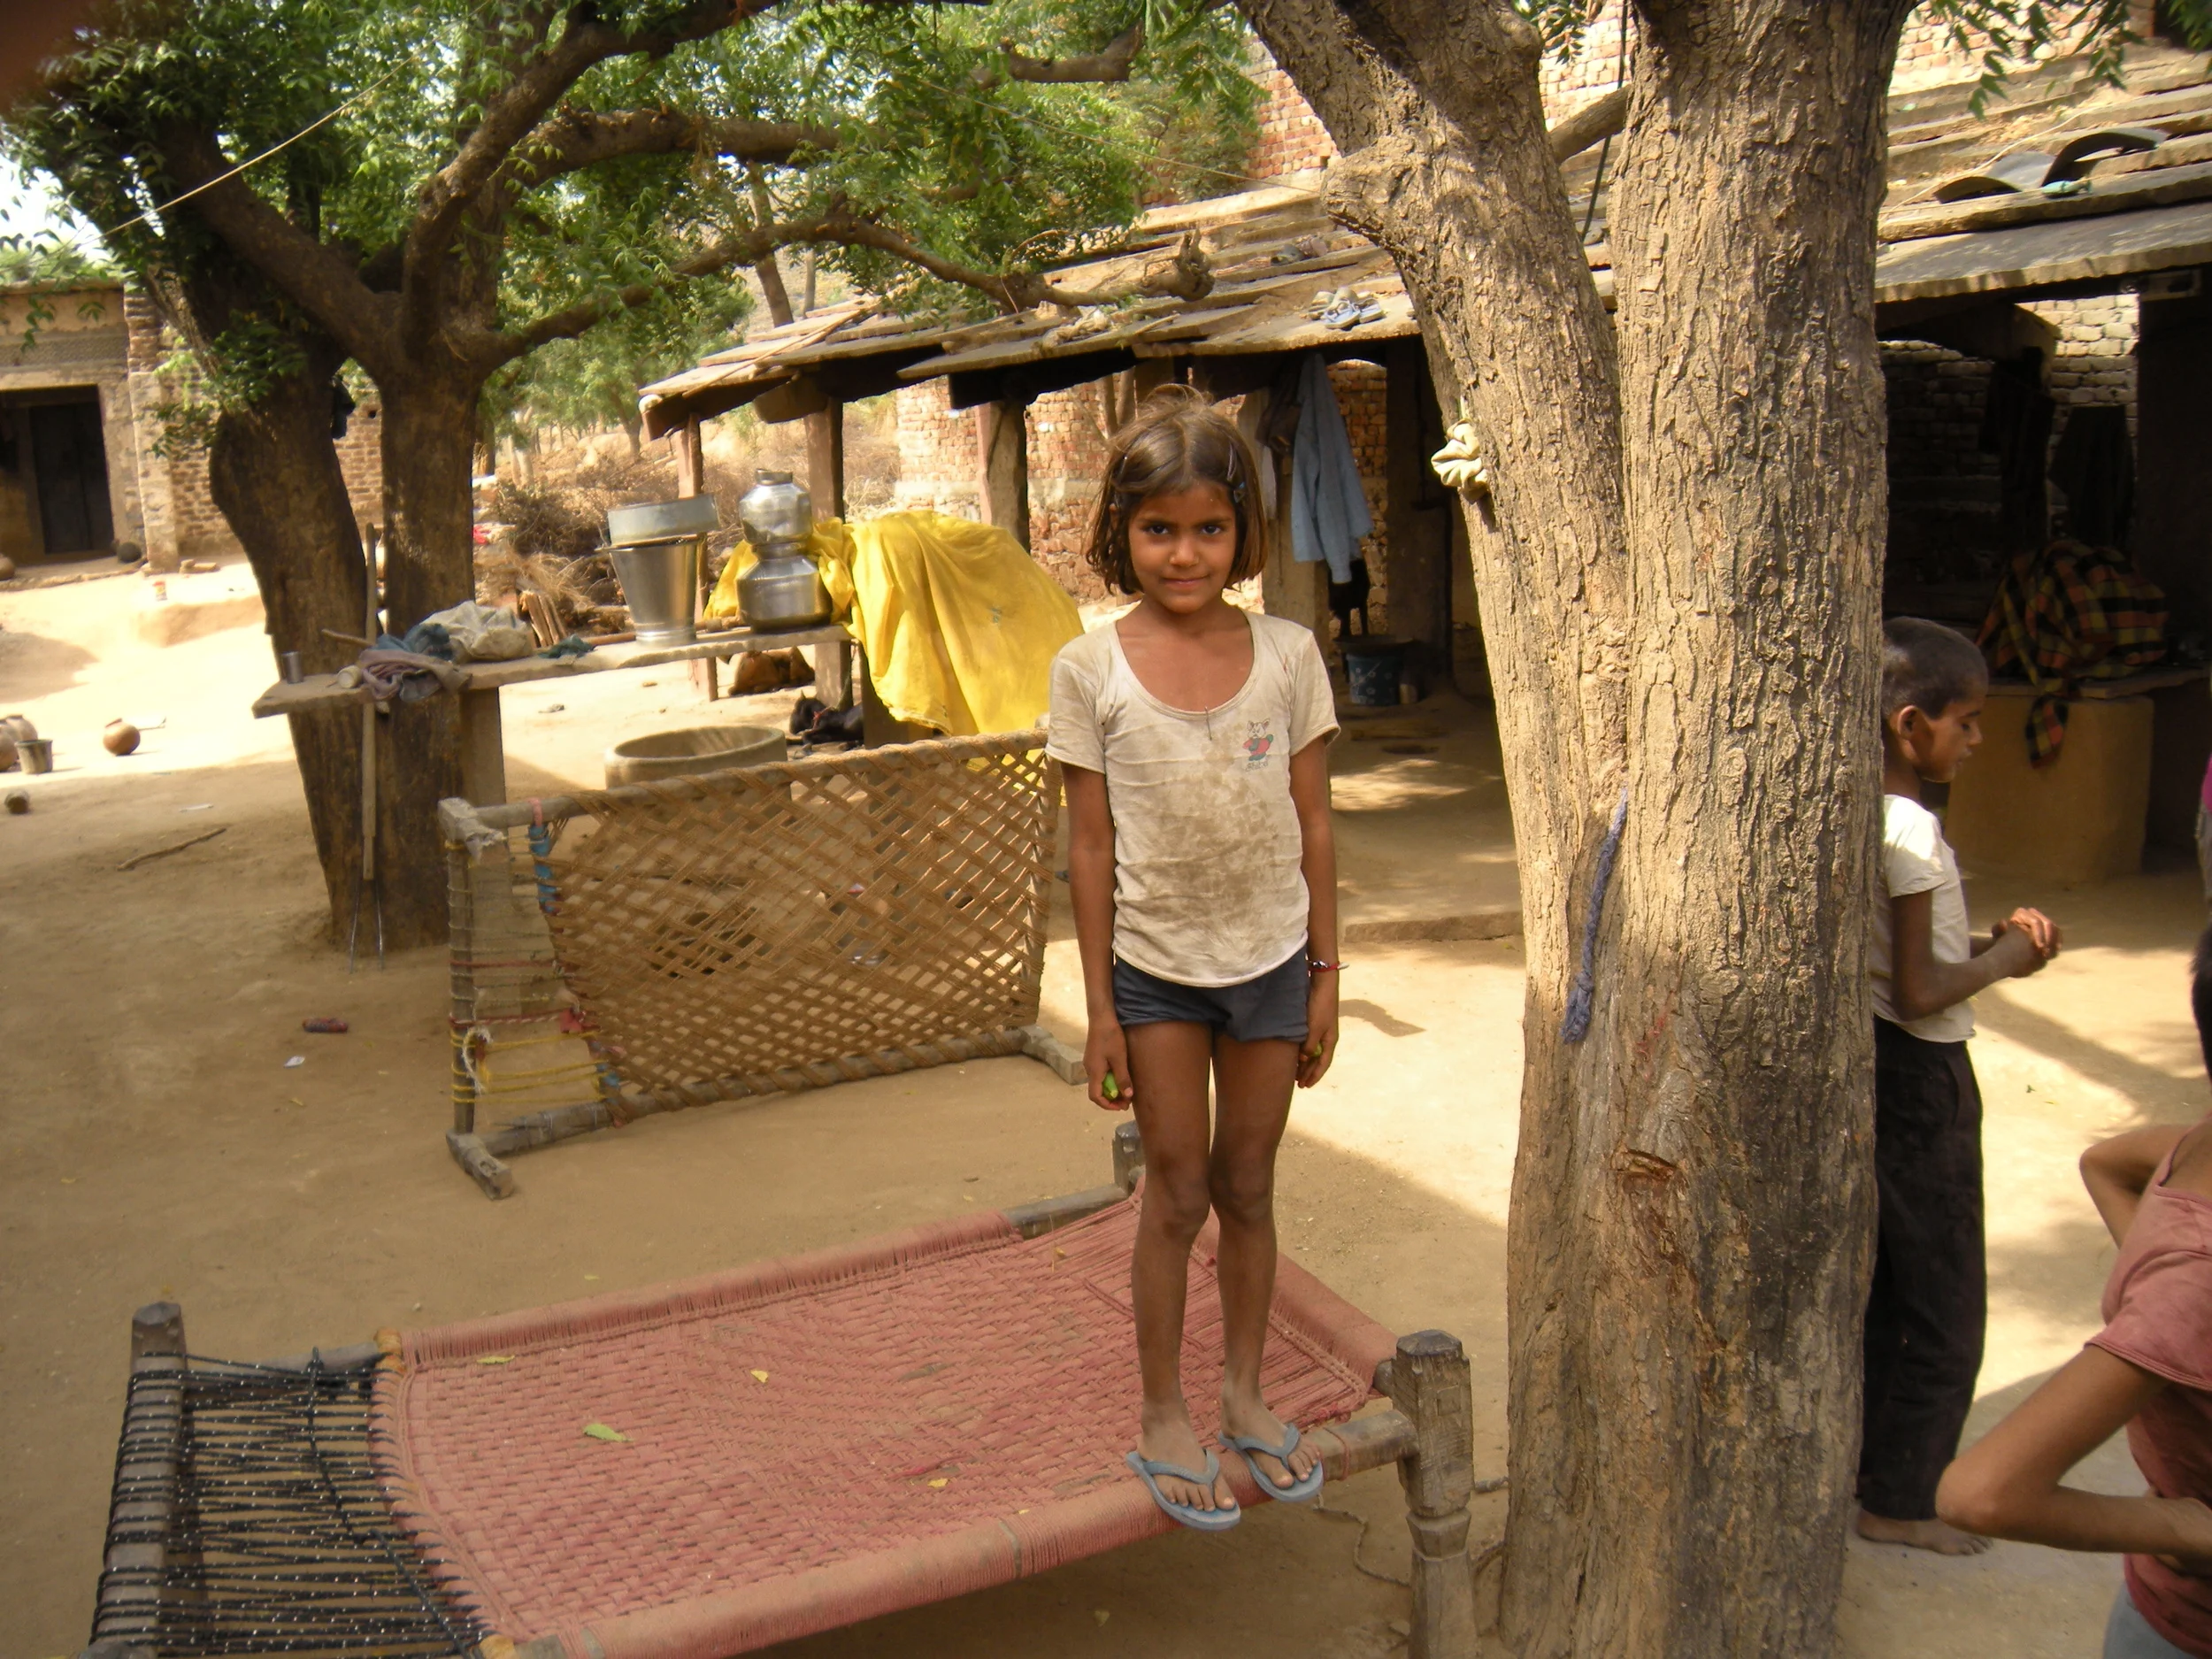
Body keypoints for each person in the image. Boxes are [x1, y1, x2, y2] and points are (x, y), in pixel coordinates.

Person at [1046, 387, 1340, 1532]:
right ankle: (1165, 1406)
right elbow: (1090, 842)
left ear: (1243, 530)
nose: (1184, 551)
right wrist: (1101, 1009)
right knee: (1176, 1187)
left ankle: (1247, 1391)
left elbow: (1316, 821)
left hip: (1270, 961)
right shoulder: (1092, 668)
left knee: (1250, 1184)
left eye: (1209, 527)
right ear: (1122, 528)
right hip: (1157, 972)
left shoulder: (1289, 653)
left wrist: (1325, 973)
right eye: (1159, 527)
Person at [1936, 925, 2212, 1657]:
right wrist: (2190, 1527)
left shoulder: (2192, 1150)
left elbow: (2104, 1163)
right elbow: (1980, 1492)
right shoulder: (2196, 1283)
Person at [1861, 616, 2061, 1554]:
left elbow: (1916, 965)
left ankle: (1878, 1473)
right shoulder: (1910, 834)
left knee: (1894, 1284)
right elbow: (1921, 991)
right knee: (1944, 1296)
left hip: (1882, 1063)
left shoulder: (1870, 811)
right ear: (1910, 726)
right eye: (1968, 722)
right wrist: (2010, 960)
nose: (1978, 740)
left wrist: (1981, 950)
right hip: (1923, 1074)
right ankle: (1903, 1502)